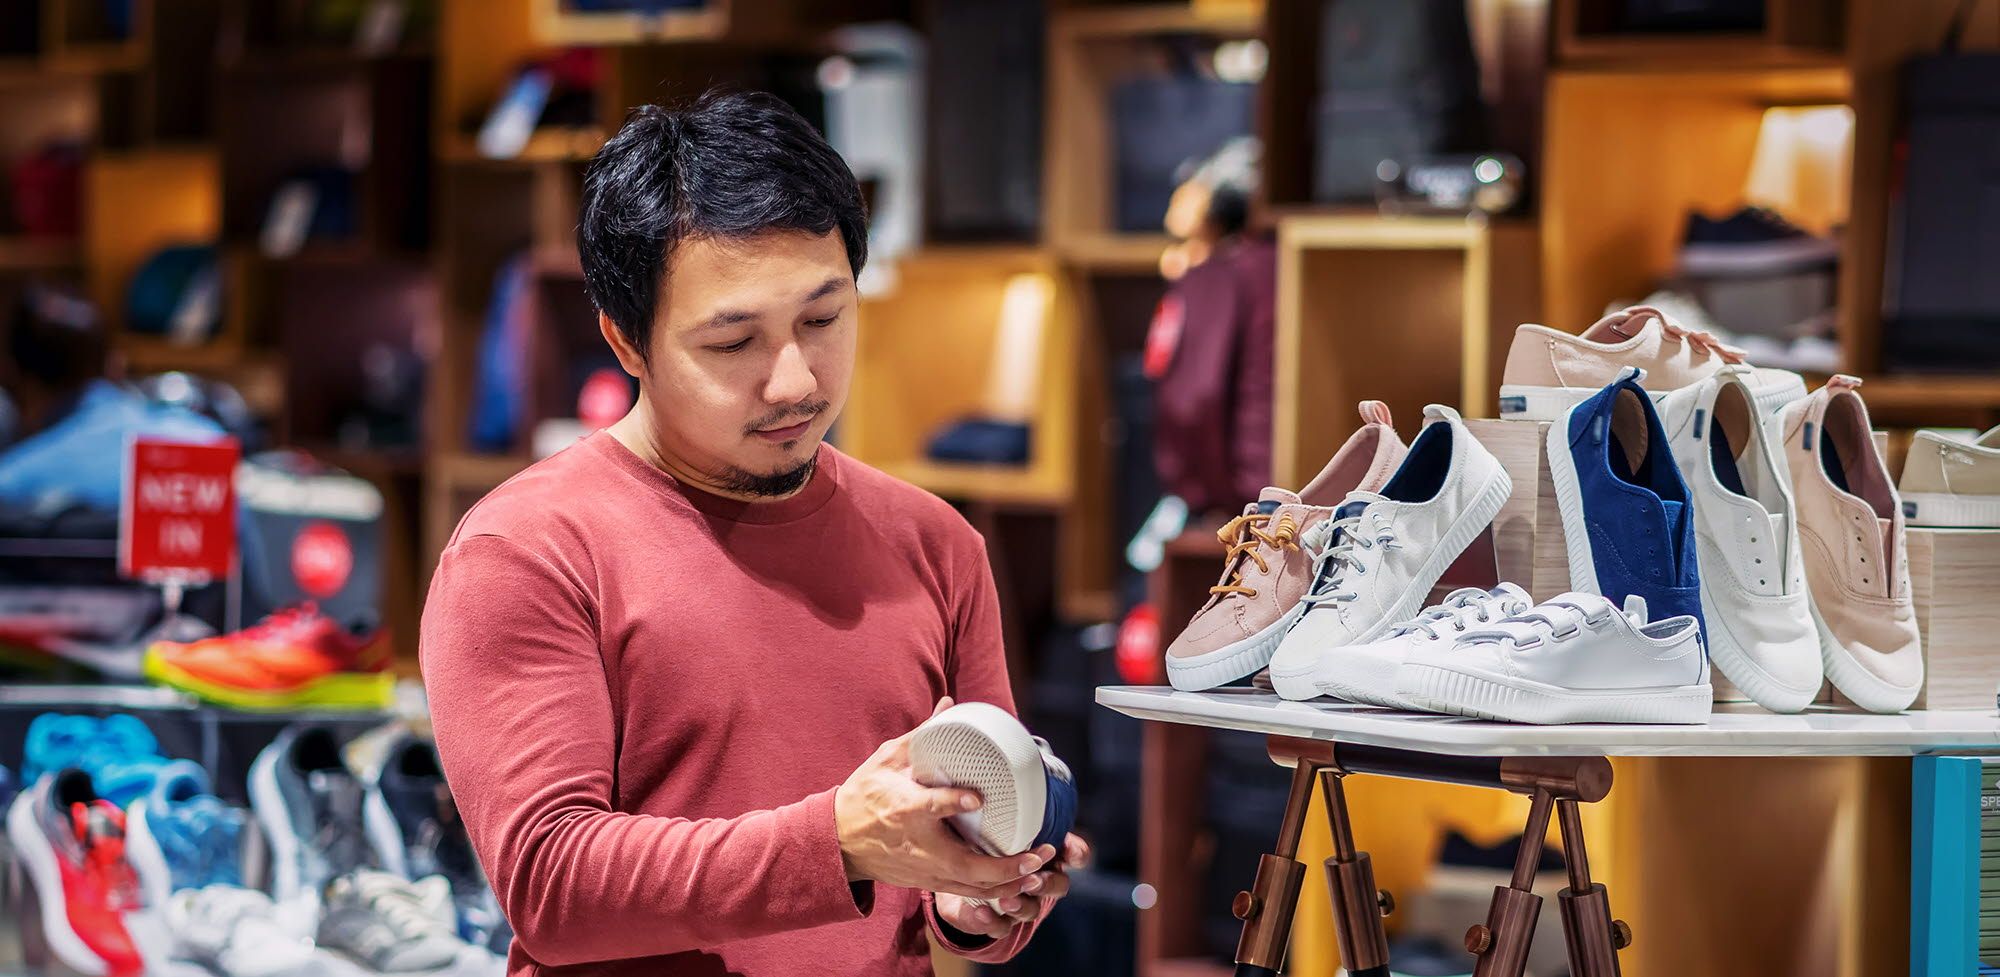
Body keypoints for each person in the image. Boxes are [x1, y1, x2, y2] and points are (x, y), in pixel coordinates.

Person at [419, 90, 1087, 977]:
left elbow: (960, 861)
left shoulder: (937, 545)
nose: (793, 380)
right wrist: (836, 842)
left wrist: (977, 896)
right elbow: (551, 884)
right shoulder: (526, 551)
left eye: (823, 319)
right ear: (625, 341)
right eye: (733, 342)